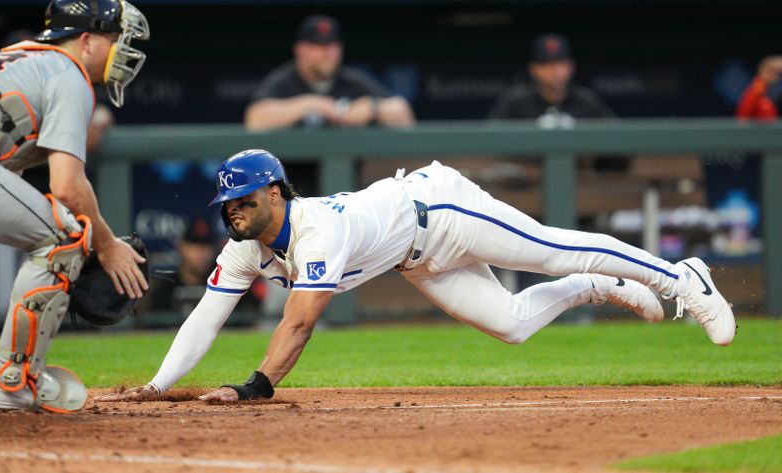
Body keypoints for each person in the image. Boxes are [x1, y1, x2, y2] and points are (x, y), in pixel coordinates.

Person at [96, 149, 735, 404]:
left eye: (244, 200)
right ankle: (598, 289)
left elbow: (300, 322)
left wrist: (256, 387)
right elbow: (205, 317)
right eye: (227, 205)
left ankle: (686, 280)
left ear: (276, 193)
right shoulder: (243, 249)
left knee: (553, 248)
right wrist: (157, 386)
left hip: (442, 210)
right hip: (415, 257)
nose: (233, 212)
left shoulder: (317, 230)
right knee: (511, 325)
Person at [0, 0, 150, 412]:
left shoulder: (21, 57)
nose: (122, 50)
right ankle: (12, 382)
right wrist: (107, 245)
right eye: (115, 39)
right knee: (64, 238)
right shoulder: (67, 73)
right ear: (87, 40)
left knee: (56, 231)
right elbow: (69, 187)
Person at [245, 15, 414, 132]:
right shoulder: (284, 80)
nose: (328, 53)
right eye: (319, 46)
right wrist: (313, 104)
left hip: (347, 178)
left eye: (333, 46)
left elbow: (403, 113)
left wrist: (373, 107)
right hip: (293, 178)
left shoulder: (350, 80)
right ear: (301, 50)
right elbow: (256, 118)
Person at [488, 34, 614, 128]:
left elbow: (618, 142)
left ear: (571, 67)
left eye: (560, 63)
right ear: (533, 69)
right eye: (546, 64)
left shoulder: (586, 101)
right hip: (526, 163)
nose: (555, 70)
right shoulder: (516, 102)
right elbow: (489, 145)